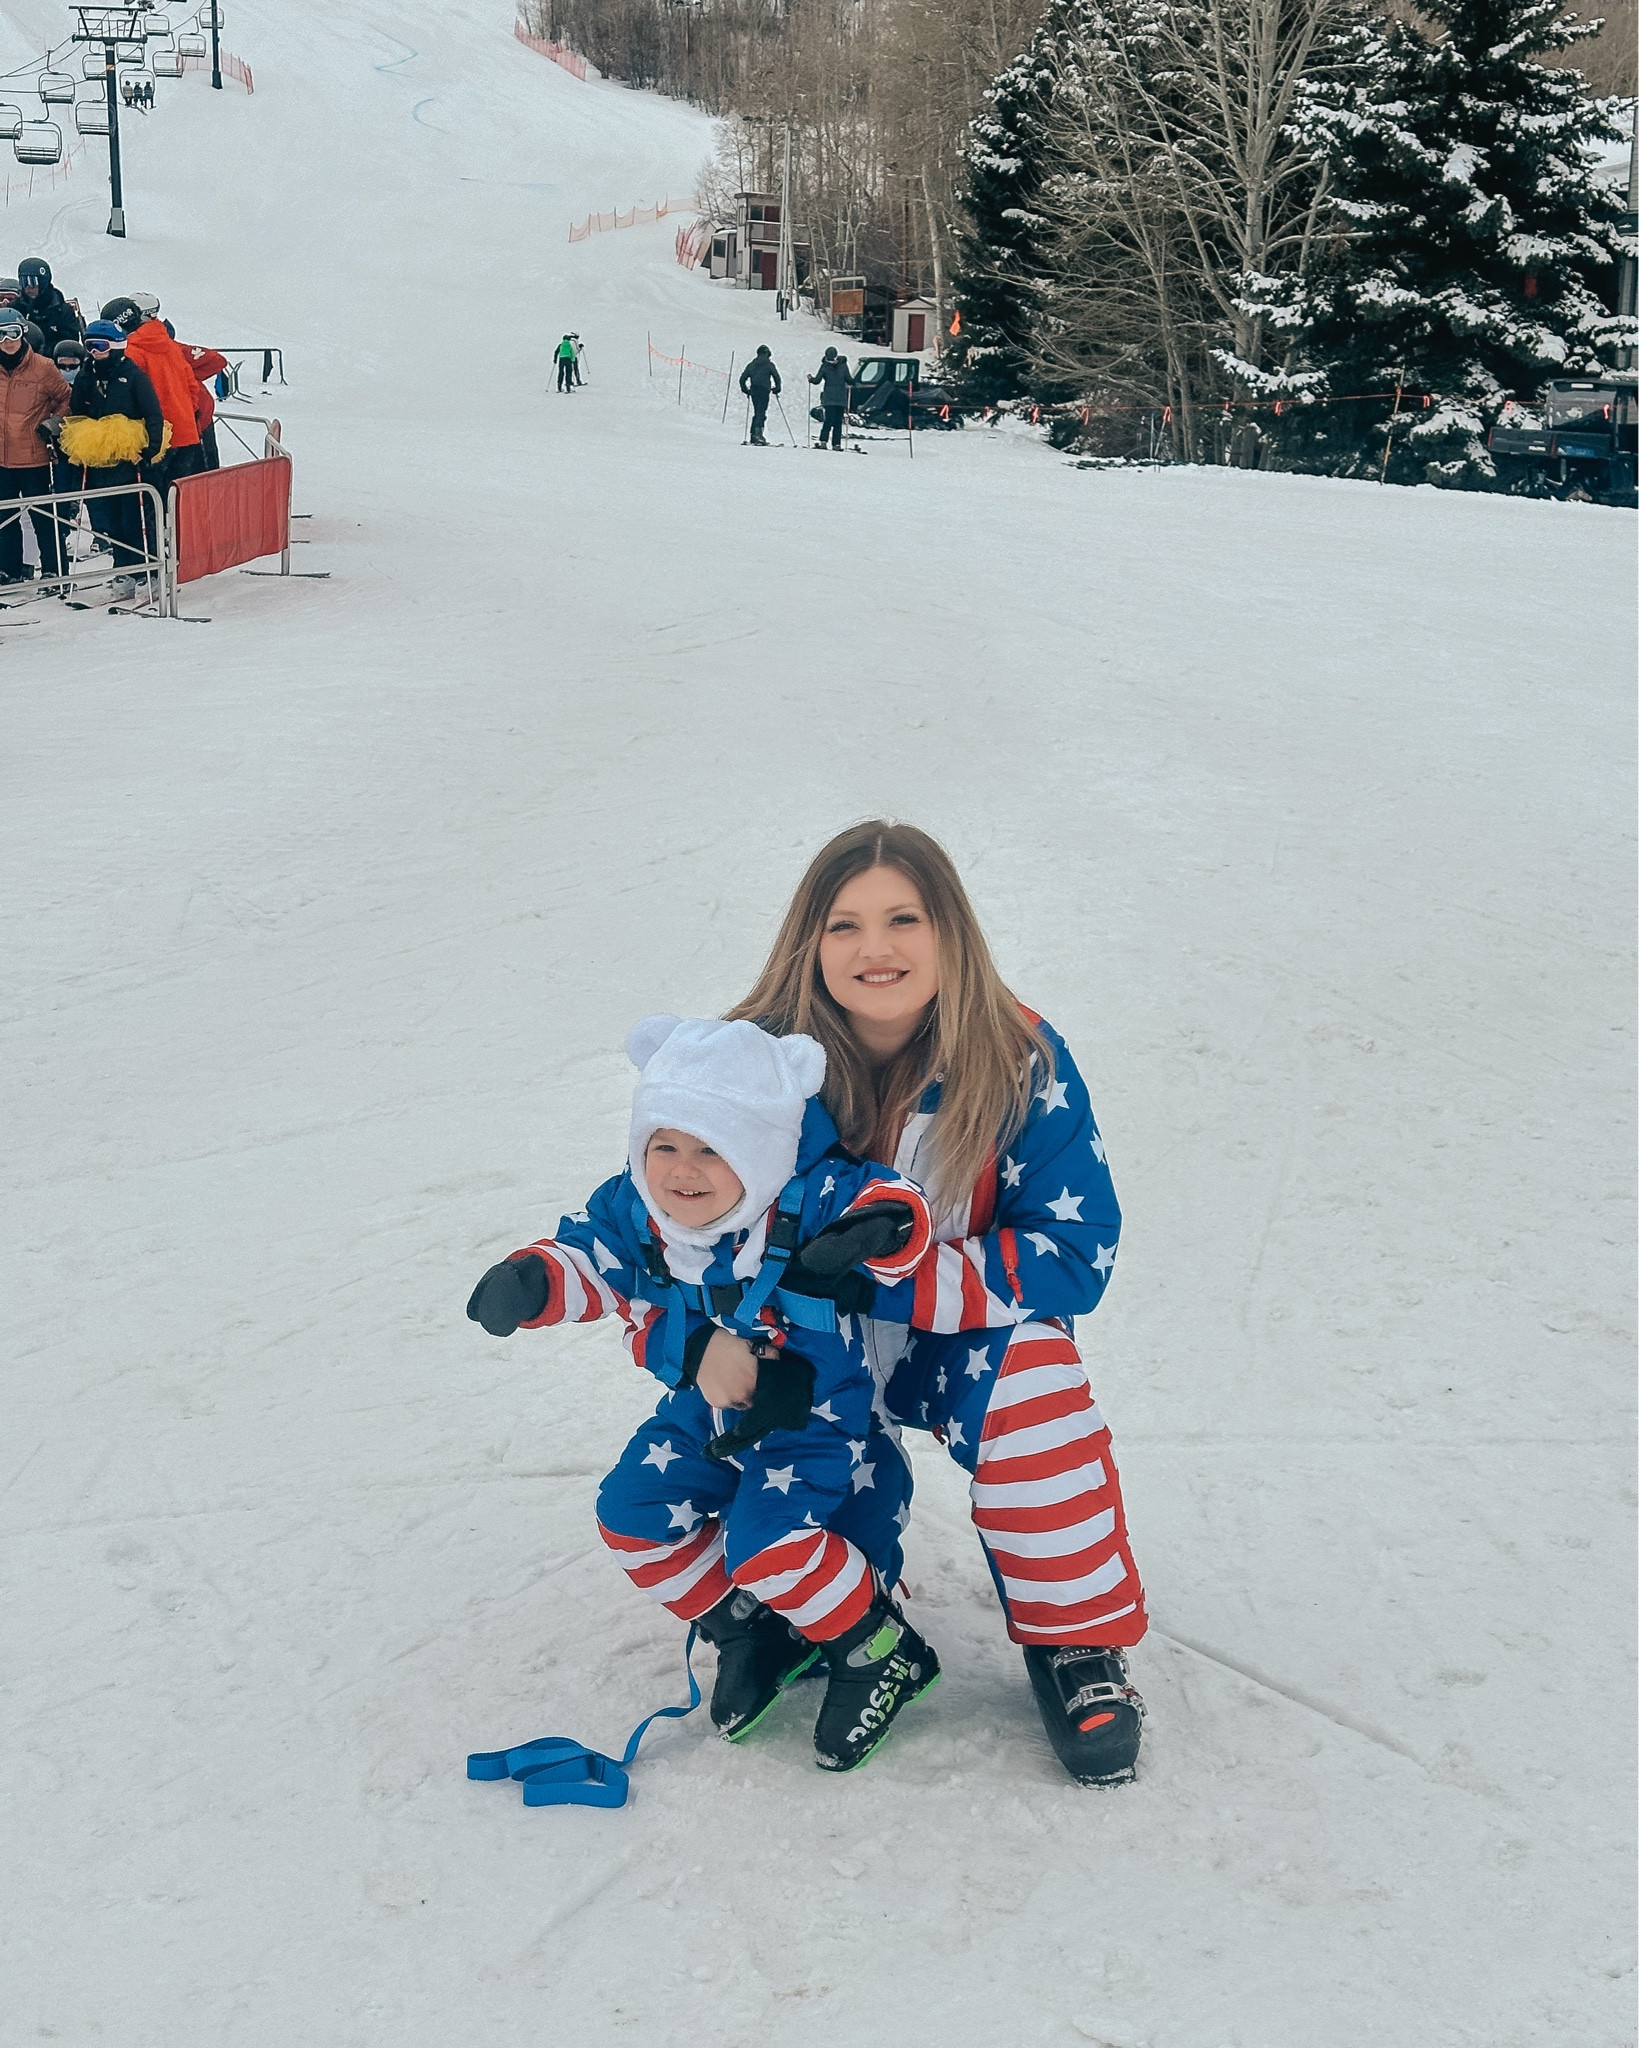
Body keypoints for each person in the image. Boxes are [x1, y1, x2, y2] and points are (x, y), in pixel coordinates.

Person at [709, 821, 1149, 1786]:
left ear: (948, 929)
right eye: (844, 925)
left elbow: (1075, 1251)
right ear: (808, 941)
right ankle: (803, 1614)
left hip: (952, 1337)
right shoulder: (746, 1062)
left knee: (1036, 1387)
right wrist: (694, 1338)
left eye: (903, 919)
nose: (875, 949)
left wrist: (903, 1278)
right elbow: (668, 1220)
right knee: (722, 1429)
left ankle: (1074, 1639)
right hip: (802, 1341)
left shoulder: (1018, 1056)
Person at [464, 1014, 945, 1772]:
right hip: (709, 1406)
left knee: (767, 1543)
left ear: (758, 1149)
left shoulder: (805, 1193)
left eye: (712, 1149)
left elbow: (893, 1201)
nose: (682, 1171)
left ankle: (878, 1647)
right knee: (632, 1513)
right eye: (664, 1146)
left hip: (814, 1417)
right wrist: (533, 1281)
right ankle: (747, 1625)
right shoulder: (639, 1209)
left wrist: (876, 1228)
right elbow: (590, 1252)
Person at [60, 319, 165, 601]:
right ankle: (124, 569)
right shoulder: (86, 376)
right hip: (99, 458)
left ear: (116, 347)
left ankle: (147, 572)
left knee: (133, 519)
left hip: (128, 458)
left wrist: (148, 451)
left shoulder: (133, 376)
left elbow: (153, 414)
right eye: (89, 346)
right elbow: (77, 412)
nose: (94, 352)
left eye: (100, 346)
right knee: (110, 520)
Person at [103, 294, 208, 486]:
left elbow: (128, 396)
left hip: (154, 437)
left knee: (153, 498)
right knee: (179, 498)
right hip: (185, 433)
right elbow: (193, 386)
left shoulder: (131, 352)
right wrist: (184, 413)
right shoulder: (170, 345)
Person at [0, 306, 70, 586]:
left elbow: (67, 398)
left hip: (33, 457)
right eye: (0, 335)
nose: (7, 341)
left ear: (23, 333)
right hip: (1, 459)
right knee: (4, 518)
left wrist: (54, 422)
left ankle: (55, 570)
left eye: (13, 333)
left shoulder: (43, 367)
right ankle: (9, 569)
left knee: (43, 517)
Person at [16, 260, 81, 359]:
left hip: (52, 362)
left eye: (33, 283)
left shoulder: (63, 311)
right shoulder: (16, 308)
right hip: (18, 361)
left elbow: (69, 343)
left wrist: (42, 352)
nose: (28, 288)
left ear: (43, 283)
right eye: (24, 283)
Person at [808, 346, 851, 450]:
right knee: (836, 421)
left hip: (831, 398)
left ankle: (825, 441)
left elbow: (817, 380)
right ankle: (835, 444)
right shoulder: (842, 366)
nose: (831, 361)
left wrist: (811, 379)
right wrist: (853, 382)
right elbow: (849, 380)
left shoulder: (826, 366)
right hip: (839, 398)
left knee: (830, 421)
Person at [739, 345, 780, 445]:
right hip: (764, 390)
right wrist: (777, 388)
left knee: (757, 411)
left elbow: (742, 379)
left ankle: (753, 435)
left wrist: (746, 390)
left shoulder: (752, 364)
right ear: (767, 354)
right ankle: (758, 435)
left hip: (754, 390)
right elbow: (776, 377)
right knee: (761, 412)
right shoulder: (769, 364)